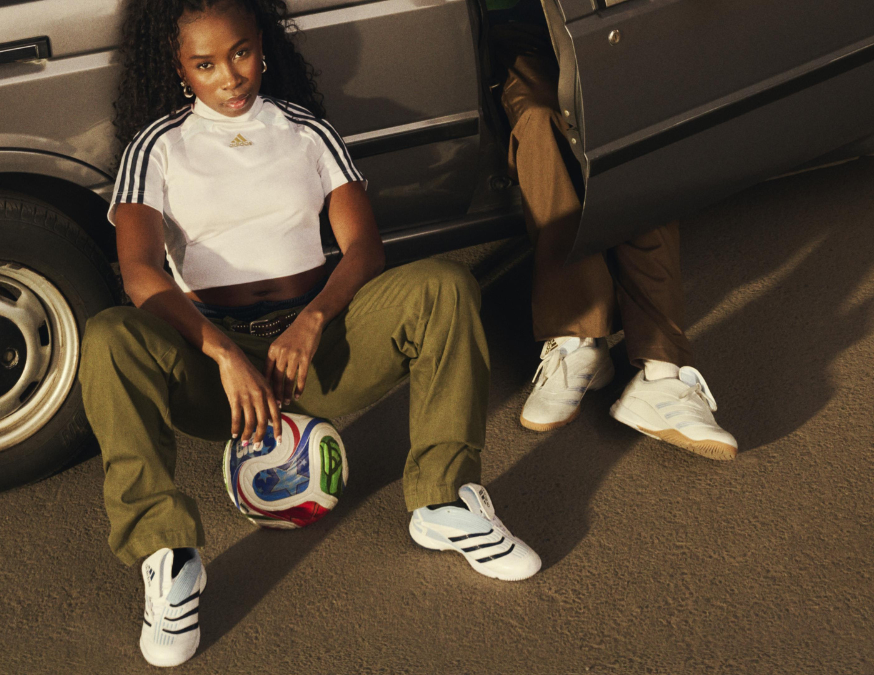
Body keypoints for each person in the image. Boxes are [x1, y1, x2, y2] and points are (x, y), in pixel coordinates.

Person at [83, 0, 541, 666]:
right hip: (219, 374)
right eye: (205, 64)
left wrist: (312, 321)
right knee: (108, 338)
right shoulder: (156, 148)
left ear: (262, 47)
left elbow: (363, 251)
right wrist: (220, 352)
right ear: (180, 69)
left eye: (240, 53)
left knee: (443, 286)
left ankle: (444, 500)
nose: (230, 77)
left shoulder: (306, 131)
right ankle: (168, 557)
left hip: (314, 351)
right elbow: (140, 275)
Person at [488, 1, 739, 460]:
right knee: (540, 121)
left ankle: (662, 376)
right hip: (523, 23)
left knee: (639, 121)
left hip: (615, 17)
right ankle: (577, 338)